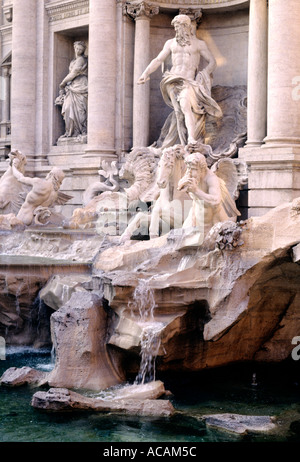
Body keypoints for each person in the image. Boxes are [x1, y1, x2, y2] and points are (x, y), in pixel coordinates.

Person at [138, 14, 222, 148]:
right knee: (178, 113)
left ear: (187, 27)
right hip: (172, 80)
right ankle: (181, 142)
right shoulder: (170, 43)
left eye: (179, 27)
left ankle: (191, 139)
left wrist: (204, 73)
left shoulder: (199, 44)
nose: (177, 30)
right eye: (176, 28)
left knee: (185, 105)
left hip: (188, 81)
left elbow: (212, 62)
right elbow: (158, 60)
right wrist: (145, 73)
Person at [178, 152, 240, 233]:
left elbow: (216, 201)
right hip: (194, 217)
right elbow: (181, 185)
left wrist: (196, 191)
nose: (189, 172)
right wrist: (182, 185)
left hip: (213, 222)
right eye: (188, 168)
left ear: (202, 169)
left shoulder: (211, 179)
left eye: (193, 169)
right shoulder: (192, 174)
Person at [55, 41, 88, 139]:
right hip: (72, 86)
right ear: (74, 48)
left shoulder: (81, 59)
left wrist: (63, 82)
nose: (78, 51)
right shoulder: (73, 61)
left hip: (80, 84)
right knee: (68, 107)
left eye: (81, 49)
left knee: (80, 110)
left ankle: (81, 130)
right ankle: (70, 131)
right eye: (77, 48)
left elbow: (74, 72)